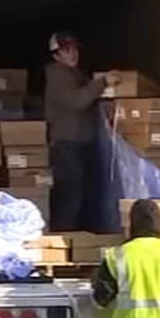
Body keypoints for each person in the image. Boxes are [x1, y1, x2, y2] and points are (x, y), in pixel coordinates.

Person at [44, 31, 119, 232]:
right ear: (56, 55)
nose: (73, 53)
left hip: (79, 142)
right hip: (67, 144)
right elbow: (76, 101)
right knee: (70, 196)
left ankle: (78, 241)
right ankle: (64, 241)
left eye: (74, 48)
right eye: (66, 50)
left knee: (79, 195)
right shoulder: (57, 75)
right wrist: (102, 82)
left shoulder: (74, 74)